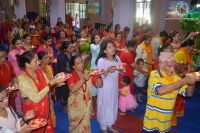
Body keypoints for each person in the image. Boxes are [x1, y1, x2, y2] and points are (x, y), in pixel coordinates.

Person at [142, 52, 199, 133]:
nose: (172, 69)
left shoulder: (176, 78)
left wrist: (192, 83)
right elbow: (160, 91)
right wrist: (183, 81)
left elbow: (188, 94)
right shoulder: (154, 74)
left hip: (166, 122)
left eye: (174, 65)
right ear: (161, 65)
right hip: (151, 121)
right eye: (169, 66)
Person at [17, 50, 66, 133]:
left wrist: (56, 83)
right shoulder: (22, 79)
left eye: (38, 60)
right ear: (27, 64)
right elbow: (36, 98)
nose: (39, 63)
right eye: (35, 61)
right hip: (33, 112)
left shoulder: (39, 70)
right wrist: (52, 84)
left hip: (45, 108)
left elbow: (48, 84)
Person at [67, 55, 103, 133]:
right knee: (75, 127)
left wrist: (99, 76)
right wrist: (83, 79)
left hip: (86, 105)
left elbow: (99, 85)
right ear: (73, 66)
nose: (81, 64)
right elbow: (73, 89)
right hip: (75, 106)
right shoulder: (71, 76)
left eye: (82, 62)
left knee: (85, 127)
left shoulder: (88, 73)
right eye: (78, 63)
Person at [96, 39, 123, 133]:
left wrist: (121, 70)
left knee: (112, 105)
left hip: (114, 87)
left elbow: (122, 70)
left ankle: (110, 125)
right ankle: (104, 129)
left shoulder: (117, 58)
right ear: (104, 51)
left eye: (113, 46)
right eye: (109, 47)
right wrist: (108, 70)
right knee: (105, 106)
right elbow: (100, 75)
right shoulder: (101, 60)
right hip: (105, 87)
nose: (113, 48)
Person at [37, 51, 56, 128]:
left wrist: (53, 89)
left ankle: (52, 124)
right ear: (40, 60)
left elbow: (52, 80)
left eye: (48, 57)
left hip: (49, 91)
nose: (48, 59)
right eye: (45, 58)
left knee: (50, 107)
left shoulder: (49, 68)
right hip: (41, 92)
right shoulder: (37, 69)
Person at [56, 41, 73, 112]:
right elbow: (62, 69)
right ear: (65, 49)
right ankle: (64, 106)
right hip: (63, 76)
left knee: (67, 90)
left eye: (72, 47)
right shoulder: (61, 57)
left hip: (68, 75)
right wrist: (68, 75)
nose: (72, 49)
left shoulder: (69, 54)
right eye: (70, 48)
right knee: (64, 91)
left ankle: (67, 104)